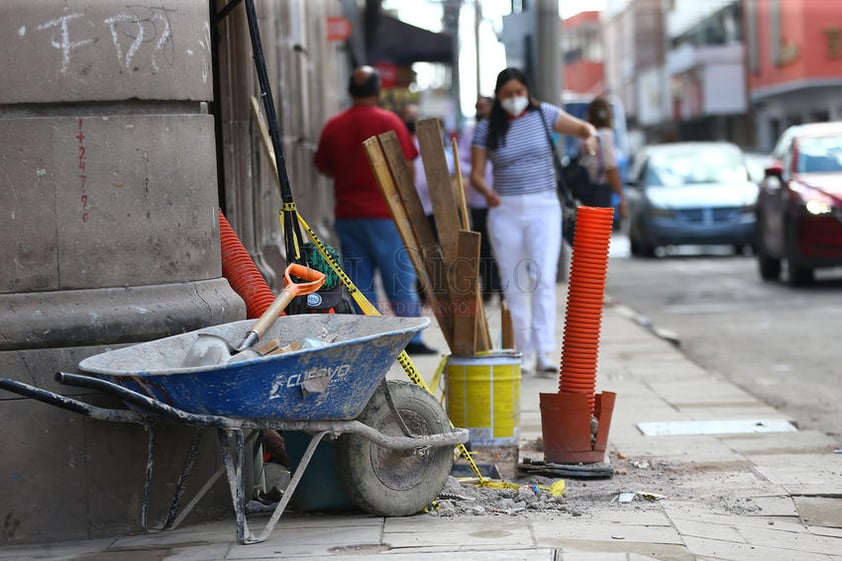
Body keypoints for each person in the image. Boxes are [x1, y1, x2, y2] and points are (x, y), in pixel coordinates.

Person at [470, 67, 598, 373]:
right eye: (507, 94)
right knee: (514, 284)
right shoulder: (486, 129)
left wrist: (590, 140)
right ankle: (521, 354)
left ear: (528, 91)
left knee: (542, 278)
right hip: (505, 210)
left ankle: (543, 352)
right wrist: (486, 191)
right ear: (498, 96)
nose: (514, 99)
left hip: (544, 207)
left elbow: (585, 129)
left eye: (519, 93)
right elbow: (475, 174)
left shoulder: (545, 115)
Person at [314, 66, 436, 354]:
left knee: (359, 281)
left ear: (350, 91)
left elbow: (323, 166)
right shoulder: (389, 121)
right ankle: (412, 340)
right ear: (378, 91)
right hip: (385, 215)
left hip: (348, 215)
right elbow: (407, 168)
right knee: (398, 275)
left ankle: (368, 339)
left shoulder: (334, 126)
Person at [458, 96, 502, 303]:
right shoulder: (471, 133)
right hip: (480, 198)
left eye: (484, 106)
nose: (481, 110)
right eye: (478, 107)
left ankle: (503, 288)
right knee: (483, 246)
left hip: (501, 196)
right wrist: (479, 170)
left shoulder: (502, 129)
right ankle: (486, 289)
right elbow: (462, 161)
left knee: (502, 244)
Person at [580, 95, 627, 219]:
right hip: (600, 190)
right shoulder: (605, 134)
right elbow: (610, 168)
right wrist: (621, 196)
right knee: (599, 232)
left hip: (585, 188)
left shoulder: (585, 135)